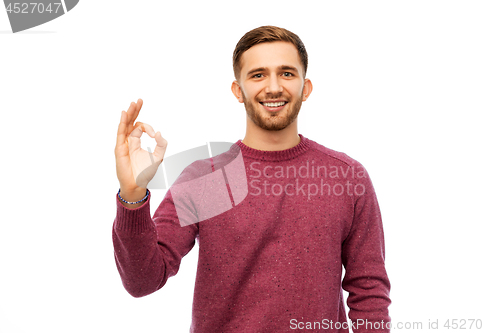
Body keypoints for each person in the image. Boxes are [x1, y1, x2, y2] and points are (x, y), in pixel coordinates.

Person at [113, 26, 391, 332]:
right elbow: (142, 280)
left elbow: (368, 291)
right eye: (258, 75)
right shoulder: (210, 180)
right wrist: (133, 194)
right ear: (238, 90)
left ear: (306, 87)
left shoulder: (345, 176)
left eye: (286, 73)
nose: (273, 87)